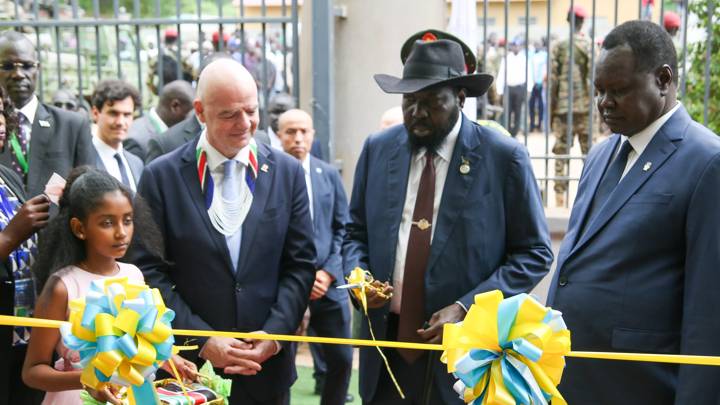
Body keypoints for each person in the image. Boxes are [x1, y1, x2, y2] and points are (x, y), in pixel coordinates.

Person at [346, 36, 552, 404]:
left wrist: (466, 308)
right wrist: (359, 279)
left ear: (460, 97)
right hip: (385, 349)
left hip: (466, 359)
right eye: (410, 101)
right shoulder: (377, 149)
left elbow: (534, 253)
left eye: (431, 102)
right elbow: (354, 233)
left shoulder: (503, 158)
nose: (417, 113)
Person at [548, 20, 720, 404]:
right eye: (599, 91)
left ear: (663, 79)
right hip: (572, 382)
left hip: (640, 387)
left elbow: (709, 312)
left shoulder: (708, 162)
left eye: (618, 90)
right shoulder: (600, 154)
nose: (604, 103)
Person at [131, 58, 316, 405]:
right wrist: (202, 339)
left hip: (267, 368)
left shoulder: (287, 173)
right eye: (230, 114)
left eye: (251, 110)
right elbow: (147, 271)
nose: (244, 124)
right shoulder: (162, 176)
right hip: (190, 371)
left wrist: (275, 334)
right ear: (200, 112)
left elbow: (301, 264)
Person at [21, 167, 197, 405]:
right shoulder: (63, 286)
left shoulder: (133, 275)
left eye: (127, 220)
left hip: (132, 397)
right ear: (79, 228)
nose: (121, 233)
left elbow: (138, 343)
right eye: (107, 223)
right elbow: (32, 371)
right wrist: (87, 380)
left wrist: (168, 359)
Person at [277, 108, 352, 405]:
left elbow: (343, 227)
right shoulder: (269, 175)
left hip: (329, 285)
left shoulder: (328, 174)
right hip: (287, 287)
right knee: (282, 366)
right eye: (290, 132)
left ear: (312, 135)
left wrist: (327, 273)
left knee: (342, 360)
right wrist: (301, 279)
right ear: (279, 136)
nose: (298, 138)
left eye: (303, 131)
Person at [0, 84, 51, 405]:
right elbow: (13, 236)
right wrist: (10, 236)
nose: (0, 124)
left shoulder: (6, 174)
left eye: (0, 114)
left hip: (25, 336)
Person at [0, 30, 94, 197]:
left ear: (38, 69)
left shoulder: (72, 126)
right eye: (8, 67)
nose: (18, 75)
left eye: (27, 66)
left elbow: (89, 193)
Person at [550, 5, 593, 207]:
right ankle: (592, 197)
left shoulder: (559, 46)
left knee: (561, 154)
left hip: (563, 109)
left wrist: (552, 108)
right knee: (591, 156)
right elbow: (595, 79)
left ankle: (560, 198)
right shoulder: (589, 45)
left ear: (568, 21)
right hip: (585, 108)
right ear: (582, 22)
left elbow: (552, 80)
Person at [90, 80, 143, 191]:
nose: (120, 122)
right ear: (95, 113)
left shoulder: (137, 163)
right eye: (113, 113)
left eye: (127, 115)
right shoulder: (82, 158)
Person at [124, 80, 194, 161]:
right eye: (191, 114)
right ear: (175, 106)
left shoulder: (173, 134)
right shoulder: (137, 140)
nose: (193, 121)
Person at [495, 39, 532, 137]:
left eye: (518, 46)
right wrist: (499, 90)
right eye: (514, 46)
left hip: (520, 88)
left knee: (518, 111)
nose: (516, 47)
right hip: (508, 88)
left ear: (520, 47)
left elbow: (529, 74)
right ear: (511, 47)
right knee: (507, 110)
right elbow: (501, 74)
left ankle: (514, 133)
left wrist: (529, 89)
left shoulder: (524, 59)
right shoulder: (506, 58)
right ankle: (507, 132)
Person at [529, 38, 547, 132]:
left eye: (539, 44)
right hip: (531, 84)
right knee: (531, 105)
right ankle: (531, 125)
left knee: (541, 106)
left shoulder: (545, 55)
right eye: (535, 44)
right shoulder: (530, 54)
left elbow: (545, 69)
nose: (537, 46)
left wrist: (541, 81)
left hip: (540, 84)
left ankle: (540, 124)